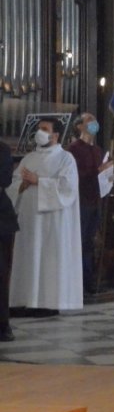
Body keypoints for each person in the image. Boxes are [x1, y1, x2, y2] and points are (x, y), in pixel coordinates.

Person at [5, 119, 83, 315]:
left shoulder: (66, 158)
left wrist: (39, 181)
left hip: (52, 221)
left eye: (44, 129)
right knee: (27, 257)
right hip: (28, 220)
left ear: (55, 135)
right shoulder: (28, 158)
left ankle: (47, 303)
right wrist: (21, 185)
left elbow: (68, 188)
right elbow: (13, 183)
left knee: (48, 259)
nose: (39, 132)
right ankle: (22, 300)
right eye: (38, 129)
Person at [65, 112, 113, 293]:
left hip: (95, 200)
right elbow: (74, 176)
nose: (94, 123)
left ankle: (90, 280)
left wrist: (107, 174)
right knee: (80, 241)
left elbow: (99, 174)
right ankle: (79, 281)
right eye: (89, 120)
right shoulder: (73, 149)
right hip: (81, 200)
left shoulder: (97, 150)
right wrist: (98, 170)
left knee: (90, 242)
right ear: (79, 126)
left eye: (95, 119)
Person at [0, 140, 17, 341]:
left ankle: (3, 324)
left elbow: (4, 179)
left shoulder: (2, 149)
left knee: (1, 272)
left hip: (1, 219)